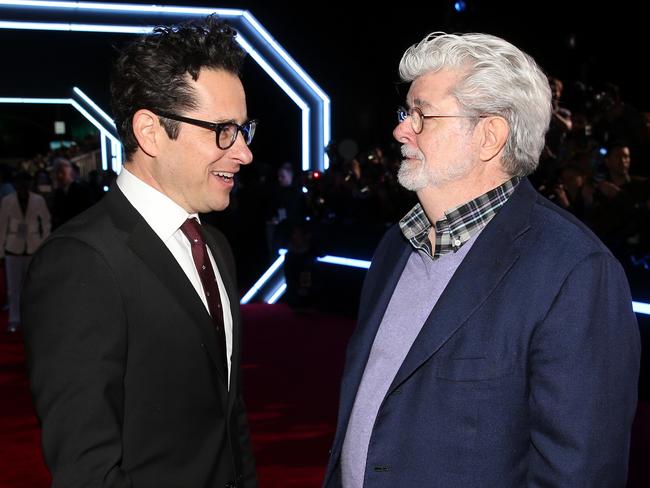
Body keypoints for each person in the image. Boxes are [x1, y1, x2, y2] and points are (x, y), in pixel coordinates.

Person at [323, 32, 640, 487]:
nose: (400, 130)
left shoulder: (576, 272)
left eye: (422, 115)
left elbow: (579, 472)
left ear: (489, 136)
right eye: (404, 112)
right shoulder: (396, 246)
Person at [22, 16, 257, 487]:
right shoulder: (80, 261)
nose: (244, 152)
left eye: (244, 129)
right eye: (223, 130)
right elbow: (87, 471)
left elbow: (229, 416)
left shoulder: (215, 246)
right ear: (150, 132)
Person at [0, 171, 50, 331]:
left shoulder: (38, 200)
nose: (22, 185)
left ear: (29, 184)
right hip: (12, 247)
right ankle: (14, 319)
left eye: (25, 182)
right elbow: (2, 226)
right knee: (13, 287)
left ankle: (31, 318)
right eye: (19, 182)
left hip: (33, 246)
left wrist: (43, 243)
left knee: (31, 286)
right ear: (15, 184)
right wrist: (1, 250)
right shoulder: (7, 201)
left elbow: (46, 222)